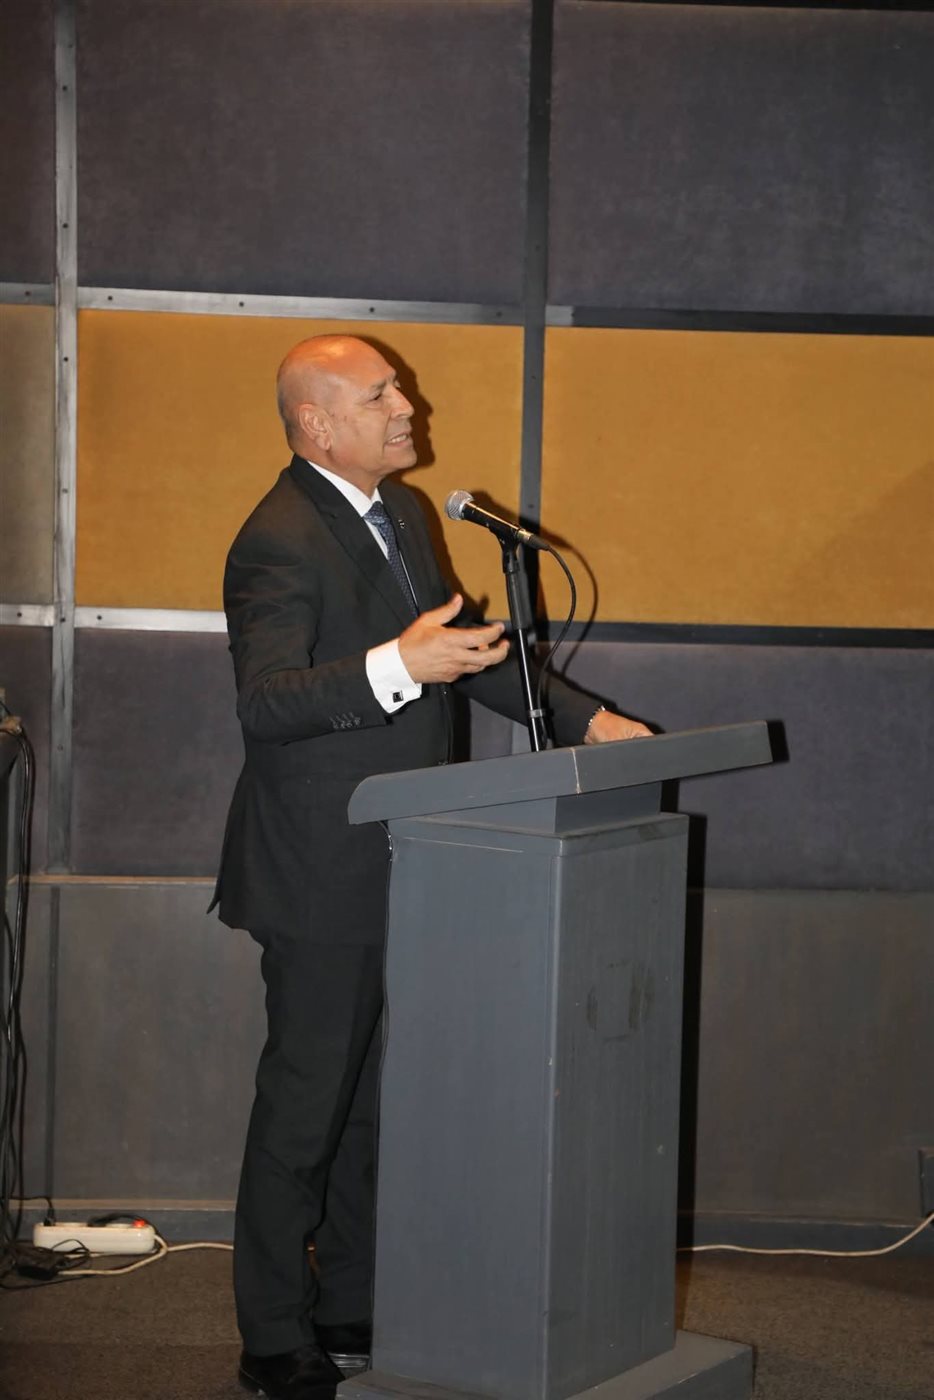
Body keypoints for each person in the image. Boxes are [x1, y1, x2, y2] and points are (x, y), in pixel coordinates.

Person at [213, 335, 651, 1400]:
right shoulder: (275, 538)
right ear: (317, 424)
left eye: (399, 388)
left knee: (372, 1100)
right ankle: (272, 1334)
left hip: (410, 853)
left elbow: (467, 651)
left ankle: (348, 1303)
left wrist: (588, 716)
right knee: (307, 1106)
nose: (407, 404)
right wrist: (396, 663)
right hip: (320, 867)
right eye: (380, 394)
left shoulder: (403, 514)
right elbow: (266, 703)